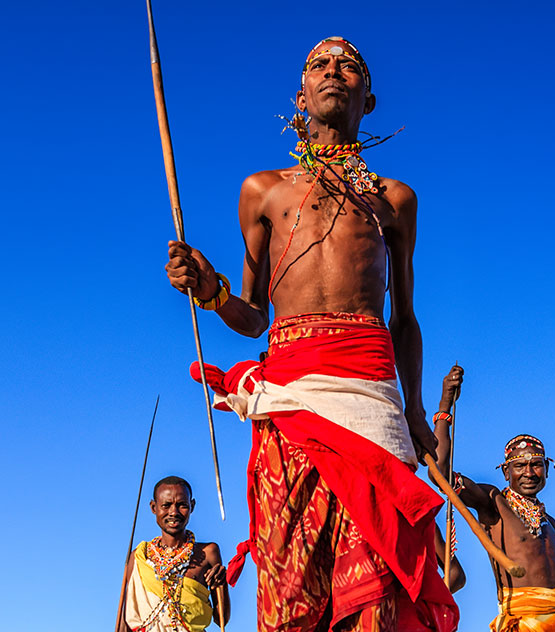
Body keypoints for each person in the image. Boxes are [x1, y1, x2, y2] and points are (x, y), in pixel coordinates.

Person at [164, 36, 456, 632]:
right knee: (290, 587)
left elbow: (404, 317)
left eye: (348, 66)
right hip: (293, 398)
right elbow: (251, 316)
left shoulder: (395, 200)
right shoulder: (264, 191)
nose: (333, 72)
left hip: (372, 401)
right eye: (319, 65)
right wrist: (211, 288)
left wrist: (419, 413)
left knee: (374, 588)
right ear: (301, 96)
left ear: (367, 99)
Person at [434, 365, 555, 632]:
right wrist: (445, 405)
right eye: (519, 466)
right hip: (521, 622)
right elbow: (440, 474)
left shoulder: (551, 523)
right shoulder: (493, 502)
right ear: (505, 472)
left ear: (547, 468)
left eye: (536, 464)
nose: (528, 472)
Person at [117, 476, 230, 632]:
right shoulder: (139, 557)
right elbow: (126, 620)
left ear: (192, 506)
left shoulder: (208, 552)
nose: (173, 512)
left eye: (182, 505)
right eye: (166, 505)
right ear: (153, 507)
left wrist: (221, 583)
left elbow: (221, 619)